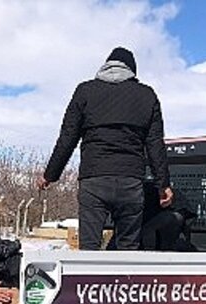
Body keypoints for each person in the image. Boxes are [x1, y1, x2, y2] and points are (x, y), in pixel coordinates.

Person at [37, 46, 174, 251]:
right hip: (130, 181)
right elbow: (155, 144)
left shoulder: (85, 91)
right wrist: (163, 185)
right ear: (132, 70)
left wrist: (50, 175)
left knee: (89, 248)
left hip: (94, 181)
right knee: (128, 248)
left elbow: (67, 138)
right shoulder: (146, 95)